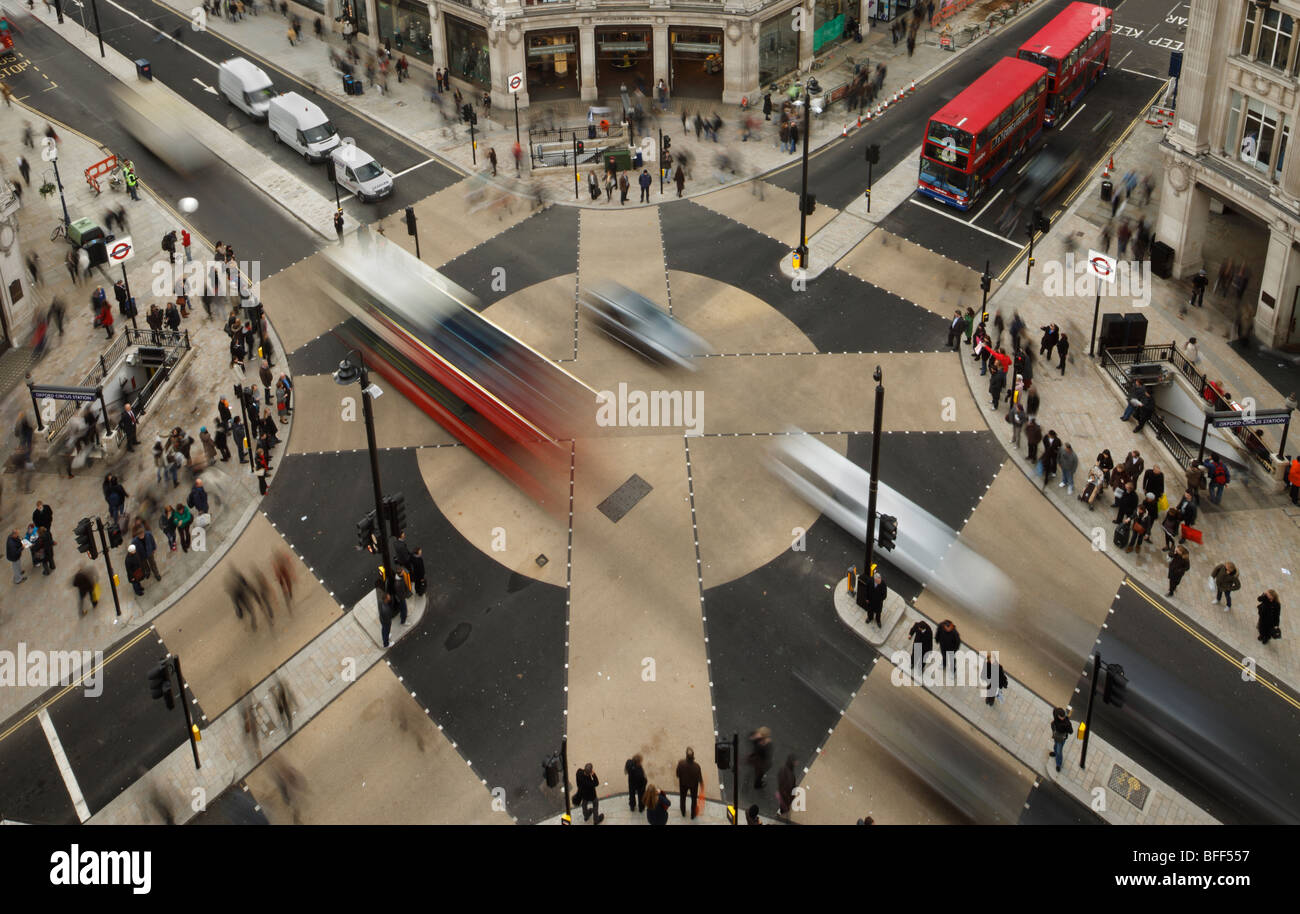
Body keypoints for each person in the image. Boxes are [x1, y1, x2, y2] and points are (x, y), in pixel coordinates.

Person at [676, 747, 703, 819]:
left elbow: (678, 775)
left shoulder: (681, 763)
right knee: (694, 800)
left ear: (686, 755)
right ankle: (692, 815)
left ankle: (683, 812)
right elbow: (699, 778)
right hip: (693, 786)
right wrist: (702, 785)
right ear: (693, 756)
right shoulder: (697, 766)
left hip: (683, 784)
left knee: (682, 798)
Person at [1049, 707, 1072, 773]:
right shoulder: (1056, 714)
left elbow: (1071, 731)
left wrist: (1066, 729)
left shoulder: (1067, 723)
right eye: (1061, 717)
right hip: (1056, 736)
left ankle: (1058, 764)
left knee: (1059, 750)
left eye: (1063, 716)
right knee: (1055, 746)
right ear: (1058, 716)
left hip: (1061, 738)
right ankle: (1055, 753)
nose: (1063, 718)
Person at [375, 572, 395, 648]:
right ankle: (386, 644)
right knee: (385, 630)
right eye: (388, 597)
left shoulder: (381, 602)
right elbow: (388, 617)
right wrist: (389, 620)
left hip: (382, 620)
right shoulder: (385, 609)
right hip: (386, 621)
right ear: (386, 599)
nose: (389, 597)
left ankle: (387, 636)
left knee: (384, 630)